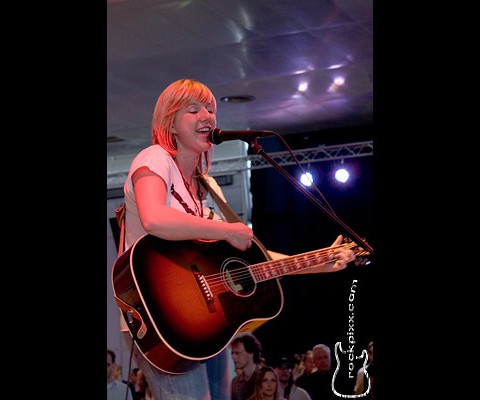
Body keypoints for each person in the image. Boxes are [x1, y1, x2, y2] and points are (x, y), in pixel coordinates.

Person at [117, 78, 357, 399]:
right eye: (194, 110)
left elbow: (256, 258)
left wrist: (317, 262)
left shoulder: (204, 188)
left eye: (211, 109)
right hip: (160, 324)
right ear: (170, 123)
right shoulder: (155, 159)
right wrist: (228, 230)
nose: (207, 116)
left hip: (207, 324)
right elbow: (155, 218)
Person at [231, 333, 263, 400]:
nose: (233, 357)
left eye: (237, 353)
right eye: (232, 353)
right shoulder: (235, 382)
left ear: (251, 353)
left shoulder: (265, 378)